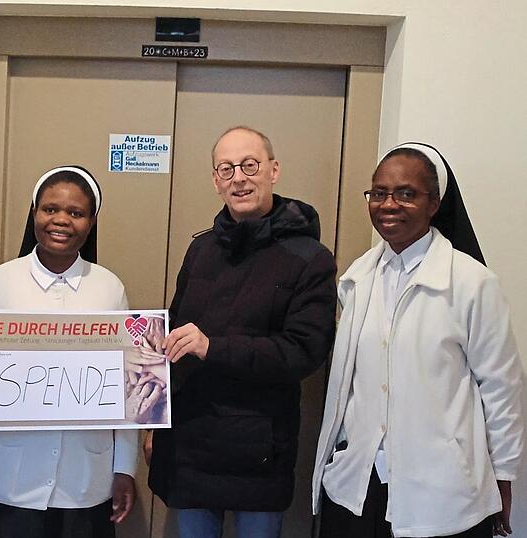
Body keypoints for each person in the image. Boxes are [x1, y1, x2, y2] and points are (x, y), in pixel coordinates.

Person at [312, 143, 524, 538]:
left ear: (434, 203)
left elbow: (501, 389)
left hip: (442, 491)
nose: (388, 204)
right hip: (359, 485)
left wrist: (505, 475)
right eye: (379, 192)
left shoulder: (472, 284)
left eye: (406, 194)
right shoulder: (358, 278)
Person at [147, 126, 337, 538]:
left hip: (259, 453)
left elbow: (303, 352)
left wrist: (213, 348)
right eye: (227, 168)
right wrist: (154, 423)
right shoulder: (201, 249)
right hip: (190, 445)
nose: (239, 177)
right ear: (216, 181)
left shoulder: (310, 258)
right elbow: (174, 339)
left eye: (250, 165)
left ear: (273, 170)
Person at [0, 165, 139, 538]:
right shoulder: (0, 282)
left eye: (75, 213)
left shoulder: (110, 289)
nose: (61, 220)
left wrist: (124, 467)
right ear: (34, 214)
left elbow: (125, 387)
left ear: (91, 222)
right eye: (49, 209)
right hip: (4, 481)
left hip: (84, 484)